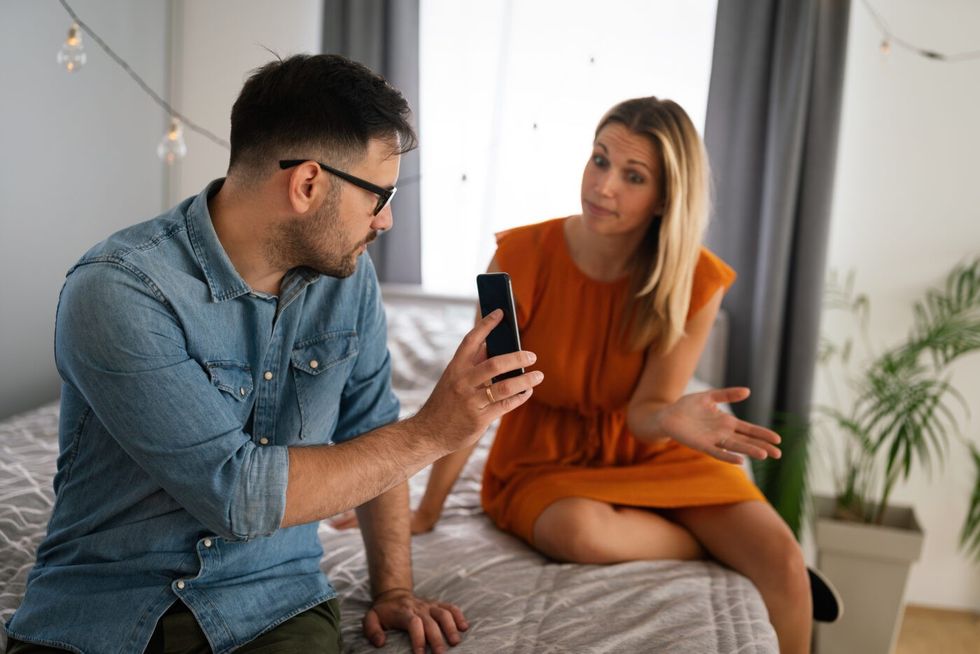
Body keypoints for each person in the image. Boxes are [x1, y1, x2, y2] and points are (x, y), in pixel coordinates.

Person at [4, 54, 542, 654]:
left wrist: (393, 590)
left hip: (270, 607)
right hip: (102, 611)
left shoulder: (349, 280)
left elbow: (371, 426)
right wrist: (436, 431)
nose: (386, 220)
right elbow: (239, 495)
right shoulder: (118, 290)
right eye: (380, 195)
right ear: (307, 184)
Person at [411, 97, 836, 654]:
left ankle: (730, 548)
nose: (603, 185)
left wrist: (673, 417)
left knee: (782, 560)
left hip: (649, 450)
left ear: (664, 199)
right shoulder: (522, 256)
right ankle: (709, 546)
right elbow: (477, 395)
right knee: (580, 533)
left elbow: (647, 411)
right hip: (543, 461)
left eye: (633, 176)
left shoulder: (695, 280)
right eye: (600, 159)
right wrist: (426, 509)